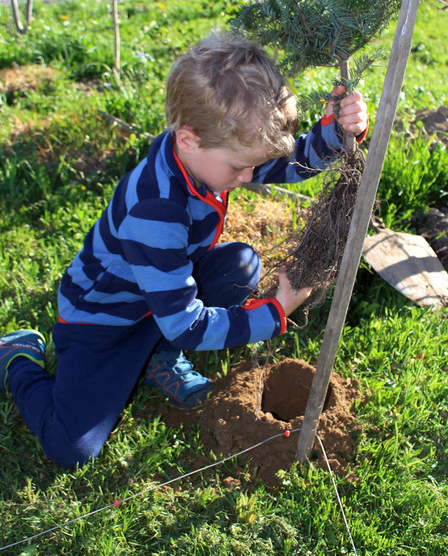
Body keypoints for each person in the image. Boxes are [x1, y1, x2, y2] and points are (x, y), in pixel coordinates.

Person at [0, 34, 368, 468]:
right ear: (190, 140)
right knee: (72, 448)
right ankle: (16, 357)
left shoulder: (205, 147)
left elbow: (287, 162)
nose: (251, 175)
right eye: (241, 168)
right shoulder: (154, 210)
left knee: (241, 263)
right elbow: (187, 325)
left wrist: (336, 132)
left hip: (157, 301)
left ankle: (158, 356)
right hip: (103, 323)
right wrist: (275, 312)